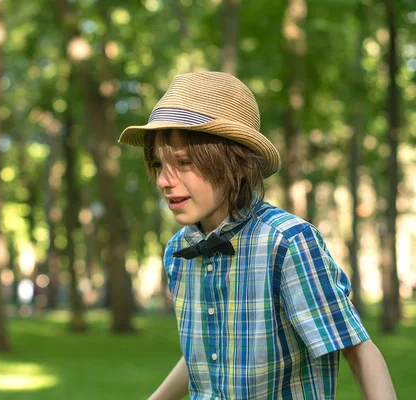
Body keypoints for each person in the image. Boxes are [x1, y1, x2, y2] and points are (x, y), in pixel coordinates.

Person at [118, 71, 396, 400]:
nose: (165, 180)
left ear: (235, 163)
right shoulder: (179, 251)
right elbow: (207, 355)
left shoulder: (287, 242)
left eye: (185, 162)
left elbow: (356, 348)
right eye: (157, 164)